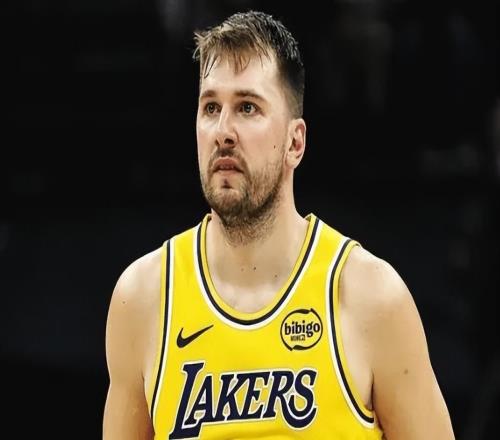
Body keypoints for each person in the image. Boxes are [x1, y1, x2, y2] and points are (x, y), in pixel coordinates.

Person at [103, 10, 455, 440]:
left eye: (247, 107)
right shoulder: (143, 299)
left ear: (295, 143)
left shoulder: (372, 299)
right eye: (211, 107)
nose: (223, 131)